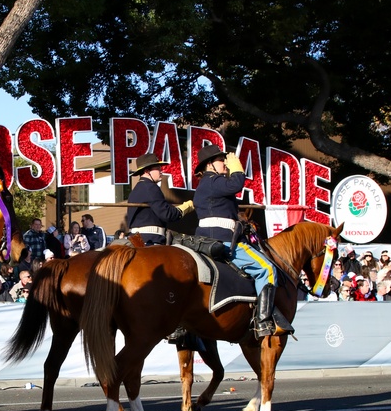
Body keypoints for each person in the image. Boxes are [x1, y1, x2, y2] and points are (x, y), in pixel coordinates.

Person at [193, 144, 292, 337]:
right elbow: (236, 184)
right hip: (223, 240)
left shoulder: (207, 185)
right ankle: (263, 320)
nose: (225, 164)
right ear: (210, 164)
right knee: (268, 269)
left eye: (225, 160)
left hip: (208, 237)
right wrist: (237, 167)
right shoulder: (214, 181)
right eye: (221, 160)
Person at [125, 152, 193, 245]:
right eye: (157, 169)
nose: (161, 171)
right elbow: (167, 214)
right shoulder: (150, 187)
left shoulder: (135, 190)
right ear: (147, 171)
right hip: (151, 240)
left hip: (136, 240)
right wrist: (187, 207)